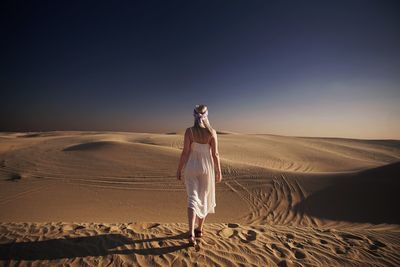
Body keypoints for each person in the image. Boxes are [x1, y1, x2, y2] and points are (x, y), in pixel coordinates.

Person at [176, 104, 222, 246]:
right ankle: (200, 230)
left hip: (191, 167)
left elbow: (185, 152)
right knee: (204, 197)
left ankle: (191, 233)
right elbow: (215, 154)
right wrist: (218, 170)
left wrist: (179, 169)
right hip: (206, 168)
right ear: (206, 115)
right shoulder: (212, 132)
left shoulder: (189, 131)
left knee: (192, 198)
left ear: (194, 116)